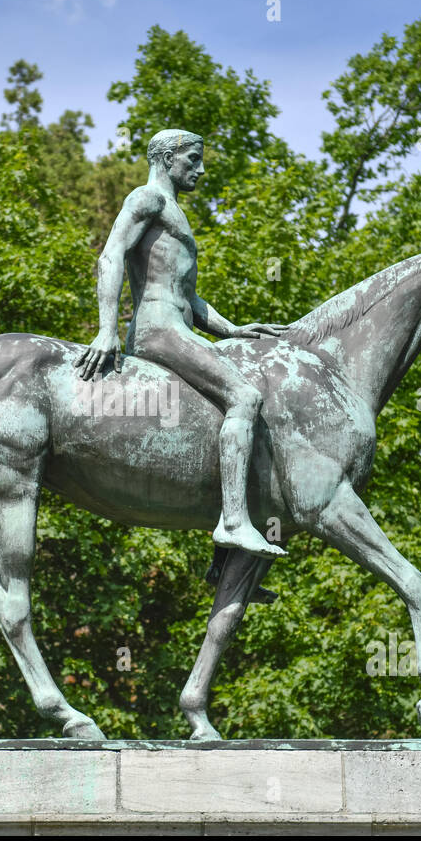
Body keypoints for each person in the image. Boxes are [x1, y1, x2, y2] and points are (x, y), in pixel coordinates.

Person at [75, 128, 288, 558]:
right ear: (168, 157)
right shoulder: (147, 199)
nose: (201, 169)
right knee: (245, 397)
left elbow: (189, 298)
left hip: (180, 326)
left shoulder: (174, 211)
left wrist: (233, 330)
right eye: (193, 159)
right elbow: (111, 255)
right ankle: (232, 524)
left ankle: (224, 560)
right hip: (158, 330)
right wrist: (105, 329)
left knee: (227, 409)